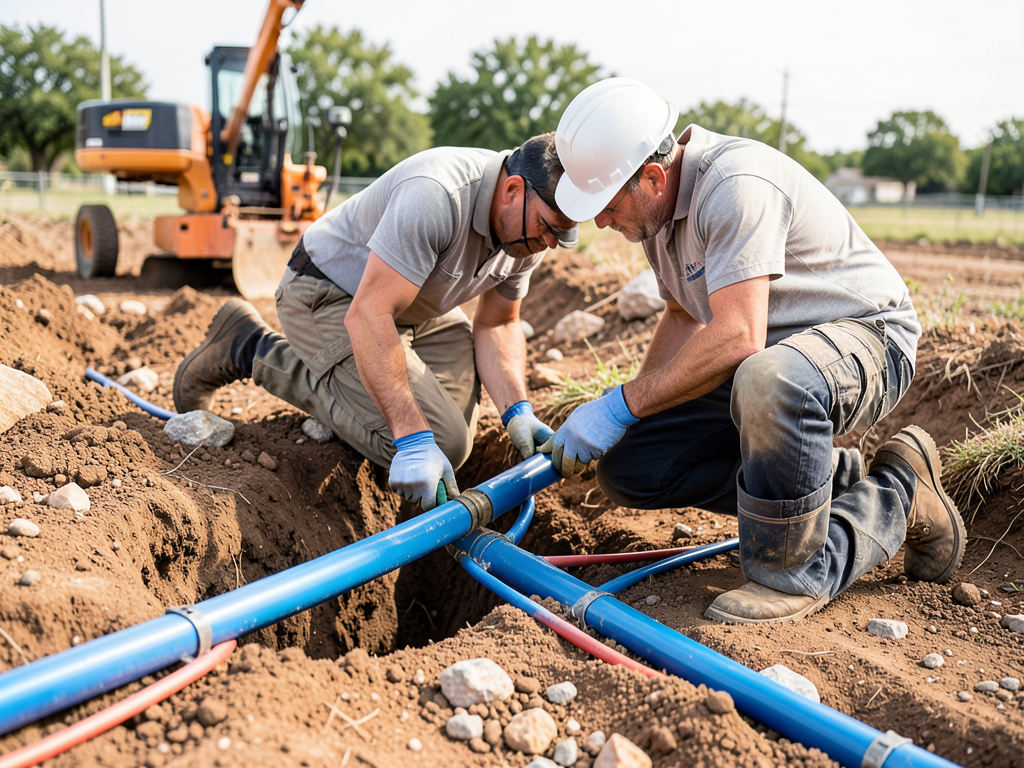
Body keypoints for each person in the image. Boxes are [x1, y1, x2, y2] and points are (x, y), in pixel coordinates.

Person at [542, 77, 966, 623]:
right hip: (772, 363)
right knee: (633, 465)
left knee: (767, 377)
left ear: (652, 177)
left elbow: (739, 334)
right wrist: (628, 417)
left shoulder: (734, 184)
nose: (601, 220)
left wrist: (619, 404)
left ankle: (845, 534)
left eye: (606, 204)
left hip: (869, 339)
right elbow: (681, 316)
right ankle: (838, 480)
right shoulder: (656, 216)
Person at [174, 133, 578, 511]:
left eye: (560, 236)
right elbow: (370, 314)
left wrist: (518, 411)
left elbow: (497, 323)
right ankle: (250, 348)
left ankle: (359, 390)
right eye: (547, 228)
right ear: (513, 190)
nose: (548, 244)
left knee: (451, 441)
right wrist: (413, 439)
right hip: (331, 293)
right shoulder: (437, 194)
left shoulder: (526, 229)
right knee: (438, 442)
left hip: (414, 305)